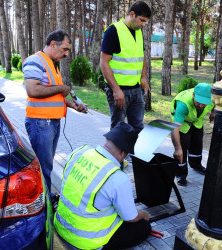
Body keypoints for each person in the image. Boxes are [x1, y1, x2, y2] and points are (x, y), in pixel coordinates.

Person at [54, 122, 151, 250]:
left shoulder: (79, 152)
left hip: (60, 224)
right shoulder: (118, 178)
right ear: (123, 152)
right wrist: (144, 214)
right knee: (143, 227)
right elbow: (130, 218)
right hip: (84, 241)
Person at [23, 29, 87, 194]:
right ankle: (44, 203)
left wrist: (73, 105)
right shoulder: (35, 61)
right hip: (41, 123)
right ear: (53, 44)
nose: (66, 54)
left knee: (47, 165)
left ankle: (46, 198)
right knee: (43, 167)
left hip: (51, 122)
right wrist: (62, 87)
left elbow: (55, 95)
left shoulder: (52, 65)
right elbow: (33, 91)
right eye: (64, 49)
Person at [100, 1, 151, 135]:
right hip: (119, 90)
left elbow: (141, 55)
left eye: (145, 22)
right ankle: (116, 156)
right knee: (118, 129)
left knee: (138, 127)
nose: (143, 24)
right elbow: (104, 63)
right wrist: (116, 90)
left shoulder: (139, 32)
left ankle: (134, 156)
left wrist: (143, 76)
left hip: (136, 89)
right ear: (132, 14)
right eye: (141, 20)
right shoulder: (113, 30)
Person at [170, 83, 215, 186]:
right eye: (199, 102)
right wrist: (177, 148)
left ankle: (196, 165)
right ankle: (180, 174)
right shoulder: (183, 104)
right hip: (183, 122)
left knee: (197, 143)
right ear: (194, 95)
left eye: (204, 103)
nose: (201, 105)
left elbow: (215, 104)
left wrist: (213, 112)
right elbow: (175, 128)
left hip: (196, 120)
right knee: (182, 147)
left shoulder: (212, 99)